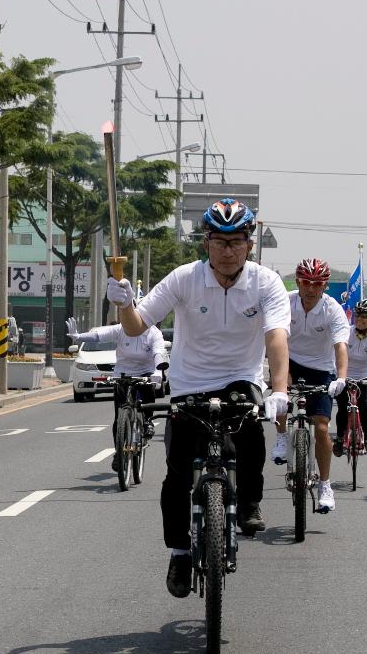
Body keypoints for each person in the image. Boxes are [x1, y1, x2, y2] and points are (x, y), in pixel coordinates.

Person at [107, 198, 290, 598]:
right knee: (176, 472)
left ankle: (248, 504)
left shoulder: (267, 283)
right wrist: (124, 303)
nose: (228, 250)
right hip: (189, 382)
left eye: (236, 241)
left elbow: (276, 337)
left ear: (249, 244)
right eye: (220, 241)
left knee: (249, 436)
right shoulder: (183, 279)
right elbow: (138, 326)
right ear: (206, 243)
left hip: (240, 377)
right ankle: (178, 551)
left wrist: (278, 390)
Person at [269, 258, 350, 513]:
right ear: (298, 281)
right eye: (305, 282)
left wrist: (341, 377)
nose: (310, 288)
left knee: (323, 428)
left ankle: (325, 485)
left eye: (317, 284)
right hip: (289, 360)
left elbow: (340, 346)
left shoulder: (332, 309)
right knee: (281, 392)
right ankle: (282, 438)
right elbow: (272, 332)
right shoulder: (286, 301)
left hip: (321, 369)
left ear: (324, 285)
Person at [64, 316, 168, 452]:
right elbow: (98, 335)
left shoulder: (153, 333)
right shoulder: (120, 329)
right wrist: (78, 336)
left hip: (146, 371)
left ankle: (147, 421)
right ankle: (118, 452)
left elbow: (158, 352)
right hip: (122, 372)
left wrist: (158, 371)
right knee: (119, 416)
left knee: (147, 391)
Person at [335, 298, 367, 457]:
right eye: (359, 316)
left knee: (363, 404)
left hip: (364, 375)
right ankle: (340, 438)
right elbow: (336, 351)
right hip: (345, 373)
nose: (361, 320)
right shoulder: (347, 331)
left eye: (365, 317)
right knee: (342, 406)